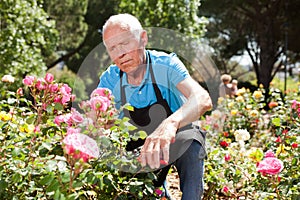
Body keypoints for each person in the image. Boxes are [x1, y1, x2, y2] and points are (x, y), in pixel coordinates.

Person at [98, 13, 212, 200]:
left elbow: (202, 99)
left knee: (192, 142)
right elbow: (94, 122)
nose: (120, 54)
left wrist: (170, 124)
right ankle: (159, 191)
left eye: (125, 43)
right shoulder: (110, 79)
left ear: (143, 39)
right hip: (135, 149)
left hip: (175, 139)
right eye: (112, 48)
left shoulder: (166, 64)